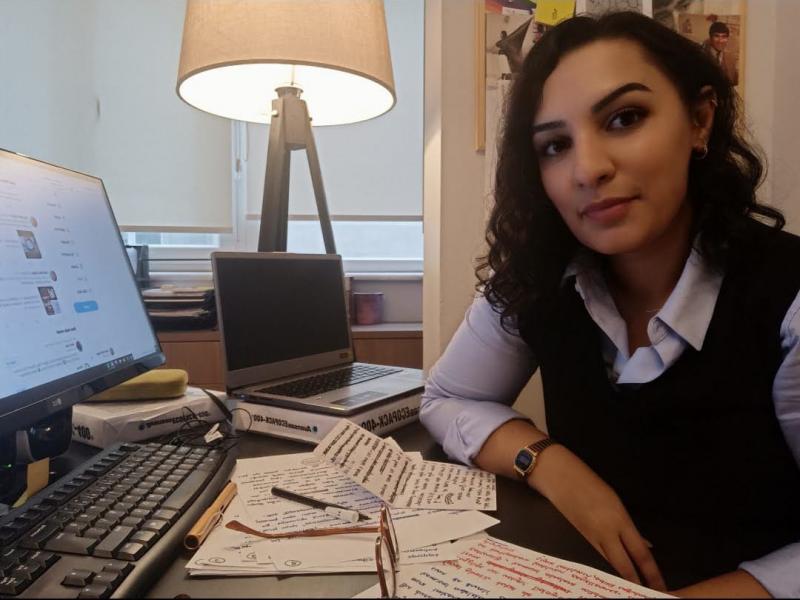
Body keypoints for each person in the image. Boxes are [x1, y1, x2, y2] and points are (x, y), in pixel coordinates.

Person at [421, 11, 799, 598]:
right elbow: (447, 398)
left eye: (625, 118)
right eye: (555, 145)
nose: (588, 169)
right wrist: (548, 463)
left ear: (700, 121)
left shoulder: (785, 296)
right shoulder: (539, 276)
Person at [701, 20, 738, 86]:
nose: (720, 41)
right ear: (710, 38)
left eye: (724, 37)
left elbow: (735, 83)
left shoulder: (731, 58)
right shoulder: (700, 57)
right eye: (716, 36)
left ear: (727, 39)